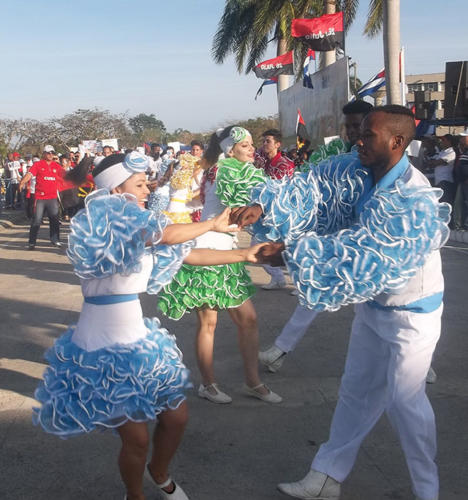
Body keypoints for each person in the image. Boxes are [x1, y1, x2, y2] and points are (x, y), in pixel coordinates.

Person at [232, 106, 449, 500]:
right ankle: (326, 477)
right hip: (373, 308)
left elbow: (368, 252)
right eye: (359, 133)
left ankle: (427, 490)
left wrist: (292, 252)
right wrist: (266, 206)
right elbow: (312, 188)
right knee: (355, 390)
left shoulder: (414, 197)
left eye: (368, 135)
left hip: (411, 315)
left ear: (398, 142)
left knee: (405, 401)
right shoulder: (355, 168)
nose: (358, 140)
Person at [32, 151, 273, 500]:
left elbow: (189, 253)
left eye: (148, 183)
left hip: (140, 341)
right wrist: (211, 224)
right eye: (140, 183)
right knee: (137, 438)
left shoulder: (140, 222)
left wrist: (244, 254)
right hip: (103, 348)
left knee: (176, 419)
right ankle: (135, 495)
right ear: (114, 190)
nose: (149, 189)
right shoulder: (101, 222)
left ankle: (158, 473)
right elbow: (164, 236)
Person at [158, 126, 282, 405]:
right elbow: (241, 211)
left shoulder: (229, 169)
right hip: (207, 251)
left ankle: (252, 382)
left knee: (247, 320)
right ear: (230, 149)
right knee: (210, 322)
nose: (253, 150)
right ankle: (208, 384)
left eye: (253, 145)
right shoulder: (226, 171)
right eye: (247, 146)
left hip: (228, 251)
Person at [259, 100, 374, 372]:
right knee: (317, 288)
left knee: (379, 304)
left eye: (358, 125)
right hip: (336, 237)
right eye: (349, 126)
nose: (352, 132)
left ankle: (418, 360)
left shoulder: (381, 156)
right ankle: (281, 349)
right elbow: (306, 181)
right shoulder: (334, 151)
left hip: (372, 242)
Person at [254, 129, 295, 290]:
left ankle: (301, 285)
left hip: (282, 214)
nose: (264, 144)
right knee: (259, 247)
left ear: (278, 144)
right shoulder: (263, 163)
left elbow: (281, 190)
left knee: (288, 251)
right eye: (263, 141)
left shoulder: (284, 165)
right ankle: (278, 278)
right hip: (265, 213)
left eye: (268, 141)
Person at [19, 145, 63, 249]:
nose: (50, 154)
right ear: (44, 154)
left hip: (52, 198)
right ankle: (32, 242)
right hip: (40, 198)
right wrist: (22, 182)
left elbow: (65, 177)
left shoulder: (57, 166)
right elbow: (30, 174)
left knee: (54, 219)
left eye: (52, 152)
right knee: (37, 220)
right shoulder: (38, 165)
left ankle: (55, 239)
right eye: (48, 153)